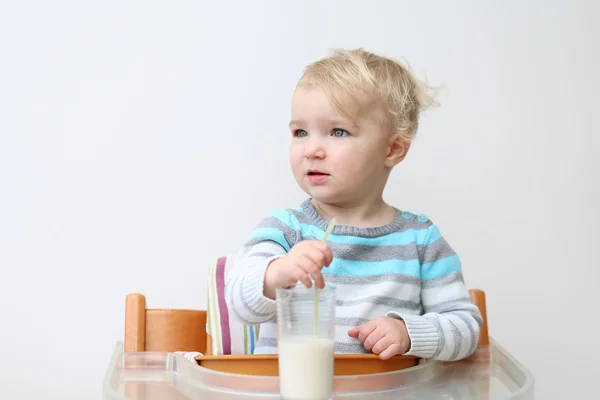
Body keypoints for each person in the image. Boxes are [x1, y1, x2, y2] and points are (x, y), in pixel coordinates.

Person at [225, 48, 482, 361]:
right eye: (300, 132)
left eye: (337, 131)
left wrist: (409, 332)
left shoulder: (421, 240)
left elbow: (466, 328)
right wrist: (276, 273)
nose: (312, 149)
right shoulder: (285, 230)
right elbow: (240, 304)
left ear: (393, 149)